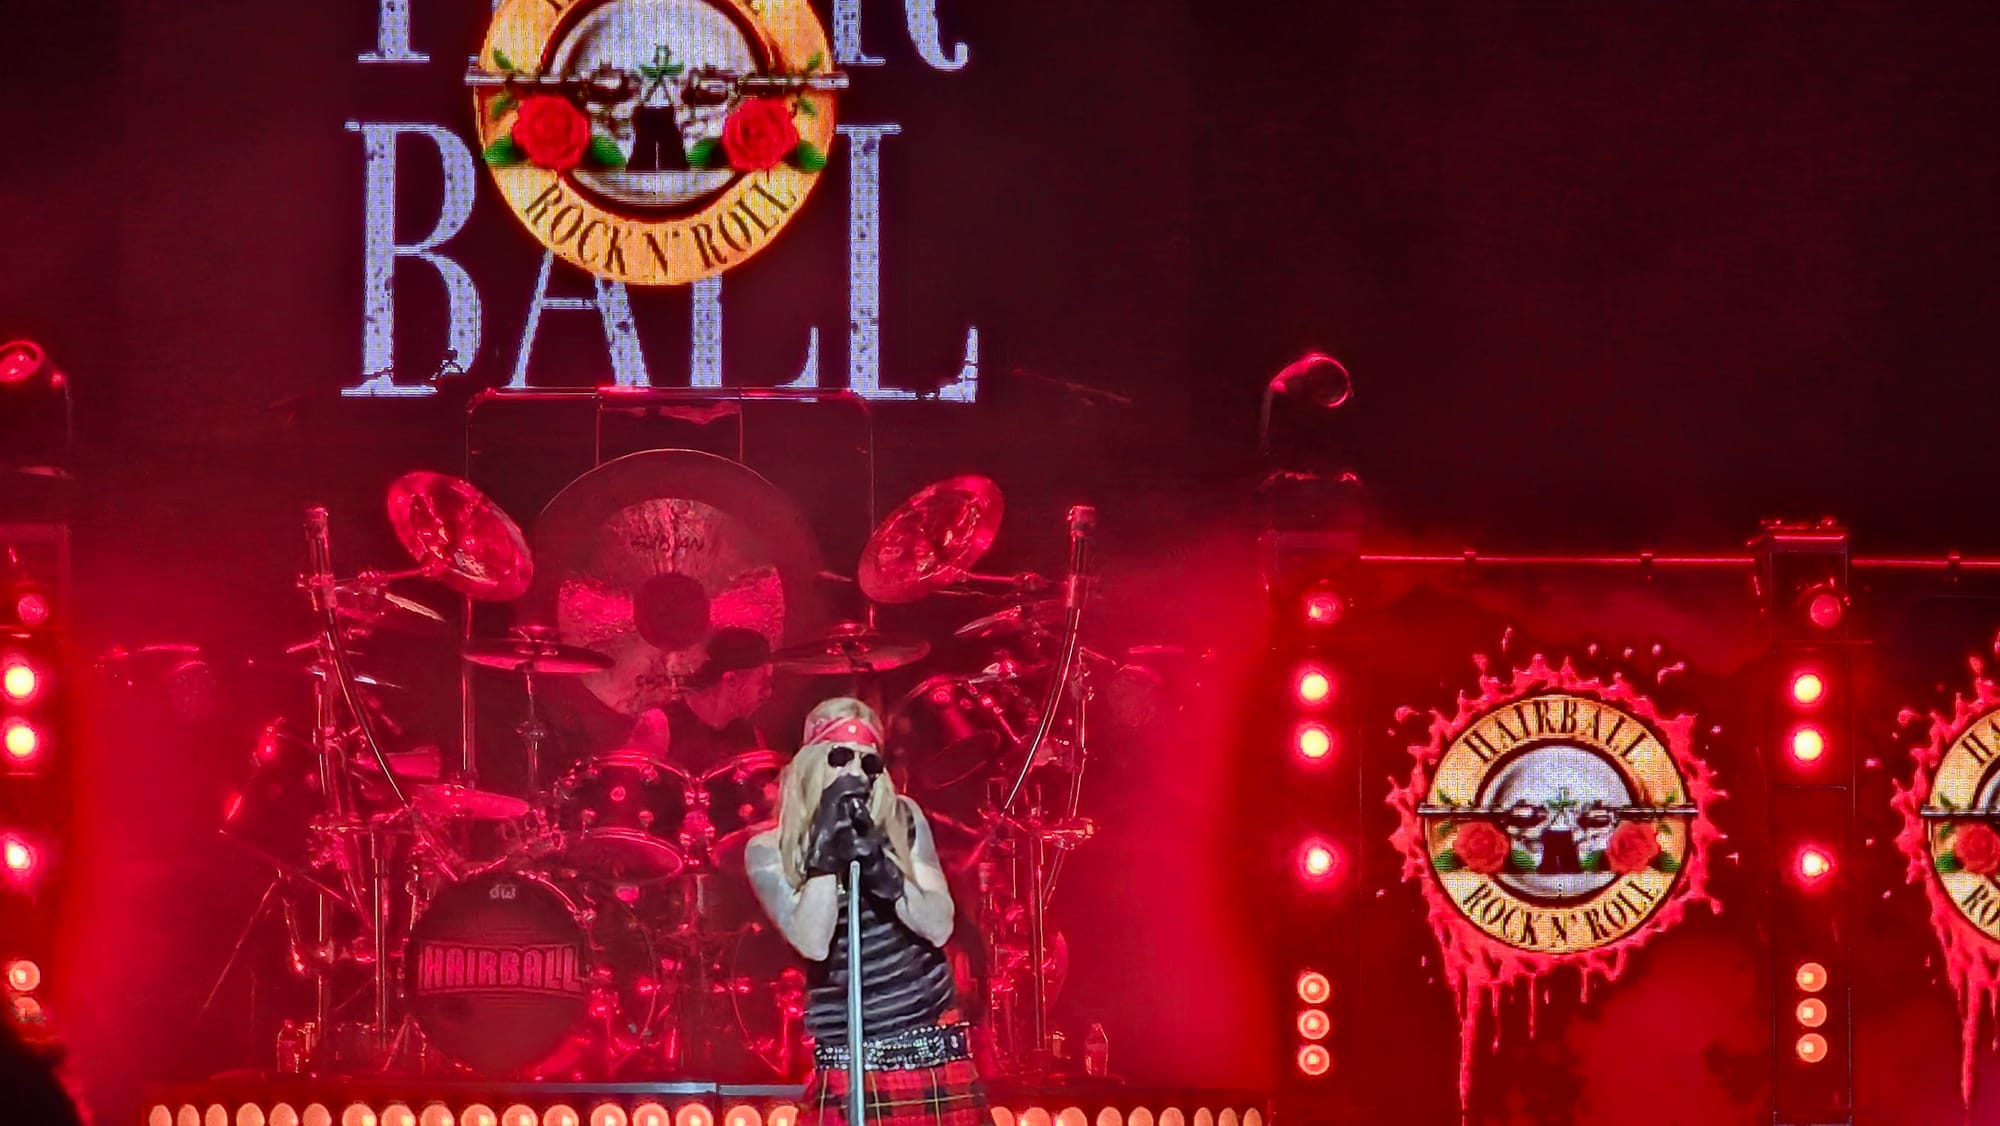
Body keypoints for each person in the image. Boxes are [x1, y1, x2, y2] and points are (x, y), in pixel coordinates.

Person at [745, 698, 986, 1126]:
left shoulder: (903, 818)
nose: (855, 772)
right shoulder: (768, 850)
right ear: (813, 762)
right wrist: (825, 854)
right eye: (840, 757)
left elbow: (938, 926)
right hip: (848, 1058)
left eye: (868, 761)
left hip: (929, 1047)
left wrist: (884, 872)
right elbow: (812, 942)